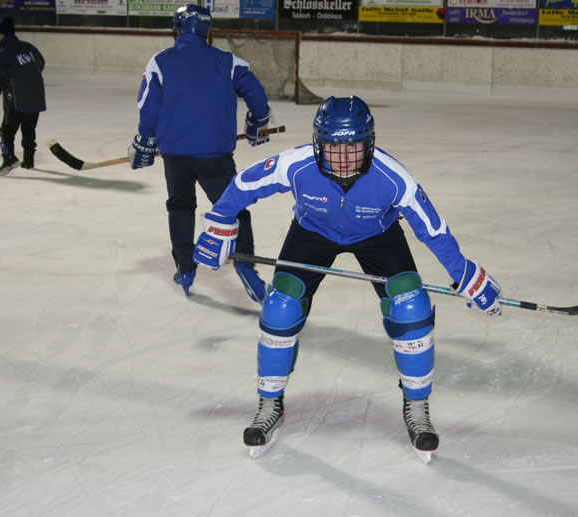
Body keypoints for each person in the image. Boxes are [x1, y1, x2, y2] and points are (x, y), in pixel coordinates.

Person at [192, 96, 502, 461]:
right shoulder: (297, 164)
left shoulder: (392, 177)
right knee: (280, 307)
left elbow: (432, 229)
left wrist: (465, 274)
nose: (342, 158)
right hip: (311, 232)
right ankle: (269, 402)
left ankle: (416, 407)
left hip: (378, 236)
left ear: (369, 143)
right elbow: (246, 183)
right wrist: (219, 222)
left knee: (411, 307)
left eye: (353, 147)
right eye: (332, 147)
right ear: (317, 143)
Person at [129, 4, 270, 301]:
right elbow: (256, 93)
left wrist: (145, 141)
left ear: (177, 29)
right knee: (234, 209)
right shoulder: (228, 61)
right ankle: (245, 264)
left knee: (180, 208)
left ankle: (185, 268)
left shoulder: (160, 61)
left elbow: (149, 107)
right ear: (207, 31)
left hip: (176, 157)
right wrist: (257, 122)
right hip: (215, 157)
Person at [0, 17, 46, 176]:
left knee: (6, 131)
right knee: (29, 129)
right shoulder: (28, 47)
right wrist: (28, 78)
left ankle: (8, 157)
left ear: (2, 34)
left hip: (16, 99)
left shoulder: (3, 54)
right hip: (36, 95)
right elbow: (40, 63)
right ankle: (28, 161)